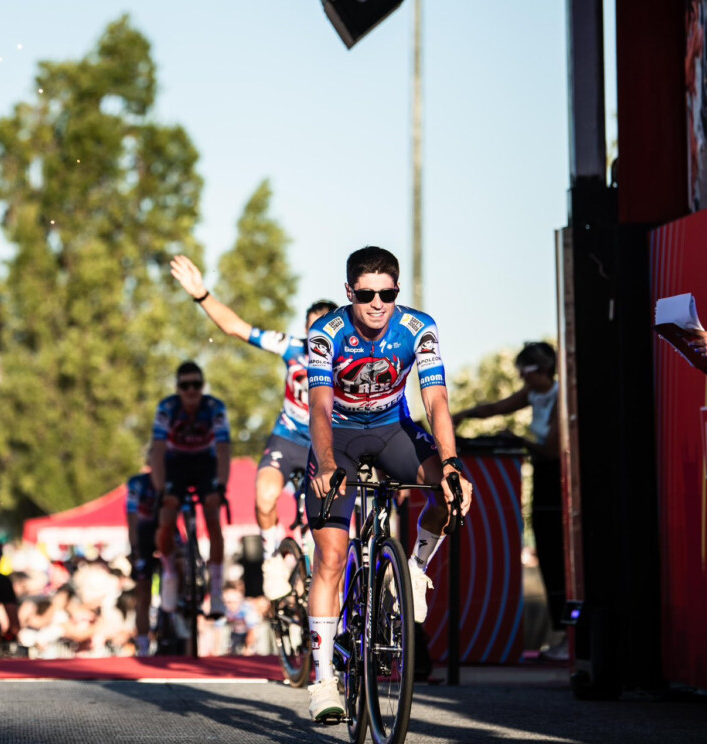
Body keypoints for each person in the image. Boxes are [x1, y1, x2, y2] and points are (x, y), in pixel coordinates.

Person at [303, 246, 474, 722]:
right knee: (332, 557)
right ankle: (321, 680)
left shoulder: (419, 327)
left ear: (397, 291)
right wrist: (325, 464)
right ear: (349, 292)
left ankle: (413, 570)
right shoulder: (326, 333)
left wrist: (452, 462)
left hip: (393, 429)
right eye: (366, 293)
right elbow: (318, 407)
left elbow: (436, 399)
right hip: (337, 435)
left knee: (451, 492)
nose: (377, 303)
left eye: (387, 293)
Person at [171, 253, 337, 600]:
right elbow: (236, 328)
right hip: (289, 437)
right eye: (311, 328)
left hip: (327, 447)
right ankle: (270, 559)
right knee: (263, 497)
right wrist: (201, 294)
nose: (317, 335)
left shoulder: (352, 358)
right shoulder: (292, 349)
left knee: (323, 533)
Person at [453, 341, 564, 657]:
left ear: (543, 370)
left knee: (557, 554)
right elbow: (496, 408)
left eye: (525, 373)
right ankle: (559, 632)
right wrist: (461, 415)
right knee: (545, 549)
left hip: (557, 475)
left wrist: (517, 440)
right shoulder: (533, 394)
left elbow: (554, 449)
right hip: (543, 475)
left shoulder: (559, 397)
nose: (522, 380)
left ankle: (567, 634)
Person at [149, 361, 231, 617]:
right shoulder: (167, 408)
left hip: (205, 463)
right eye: (185, 386)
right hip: (175, 463)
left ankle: (216, 592)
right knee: (166, 518)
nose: (191, 390)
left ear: (202, 386)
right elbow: (158, 451)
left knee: (213, 520)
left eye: (196, 384)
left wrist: (220, 487)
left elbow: (224, 449)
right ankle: (171, 573)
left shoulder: (215, 407)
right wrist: (162, 490)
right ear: (178, 388)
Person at [125, 466, 160, 655]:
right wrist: (135, 548)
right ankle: (143, 642)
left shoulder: (173, 477)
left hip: (166, 531)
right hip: (143, 535)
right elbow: (131, 517)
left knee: (180, 562)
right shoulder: (138, 483)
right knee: (143, 592)